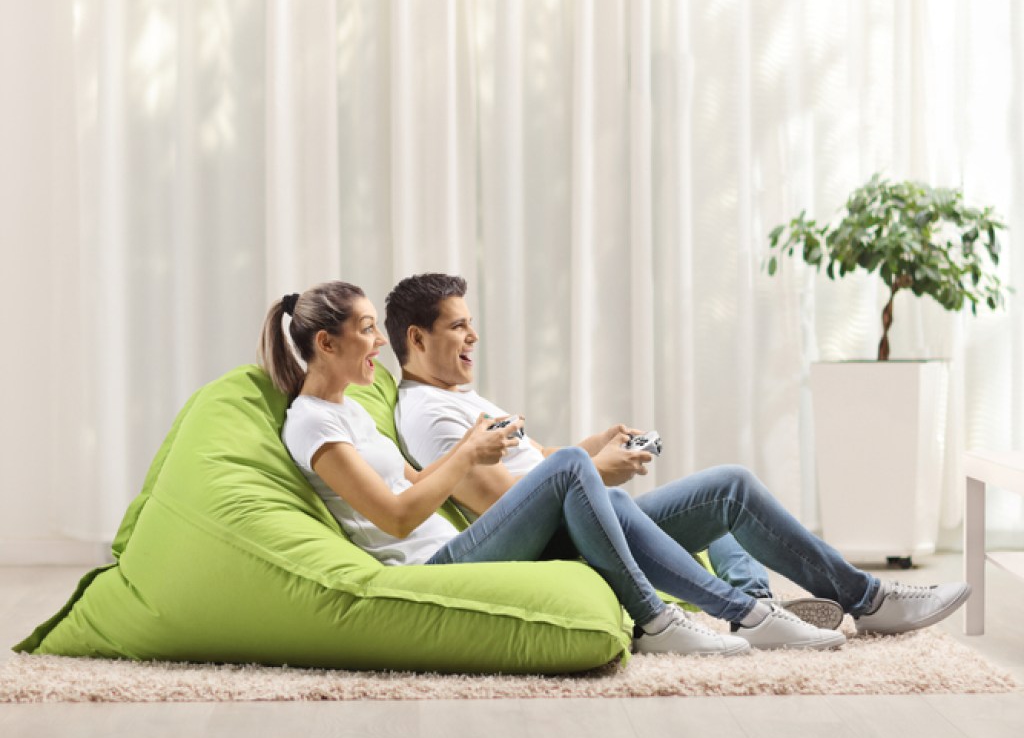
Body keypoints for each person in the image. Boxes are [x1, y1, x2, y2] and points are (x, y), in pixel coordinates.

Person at [258, 280, 857, 659]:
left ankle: (742, 610)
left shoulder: (349, 412)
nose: (377, 344)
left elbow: (410, 483)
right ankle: (691, 615)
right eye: (365, 331)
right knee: (580, 469)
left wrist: (473, 446)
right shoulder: (313, 423)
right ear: (326, 344)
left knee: (607, 485)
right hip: (431, 570)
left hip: (455, 545)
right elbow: (392, 518)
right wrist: (470, 454)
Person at [384, 272, 972, 644]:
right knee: (660, 493)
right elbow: (506, 510)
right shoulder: (431, 414)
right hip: (562, 533)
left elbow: (540, 458)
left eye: (471, 324)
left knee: (729, 488)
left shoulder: (461, 397)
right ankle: (820, 604)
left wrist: (597, 445)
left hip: (580, 508)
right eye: (459, 327)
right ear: (416, 338)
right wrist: (593, 474)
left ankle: (821, 600)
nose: (473, 338)